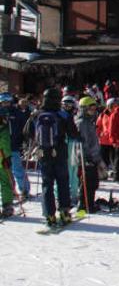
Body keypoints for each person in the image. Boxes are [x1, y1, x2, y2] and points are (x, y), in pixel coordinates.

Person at [24, 88, 79, 227]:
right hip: (59, 151)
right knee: (62, 181)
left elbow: (27, 132)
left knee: (47, 183)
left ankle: (49, 215)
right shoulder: (63, 114)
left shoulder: (37, 114)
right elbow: (73, 133)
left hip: (43, 152)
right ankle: (65, 212)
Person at [74, 96, 102, 214]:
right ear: (84, 108)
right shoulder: (82, 123)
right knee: (87, 181)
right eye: (91, 108)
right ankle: (83, 205)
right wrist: (86, 156)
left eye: (94, 108)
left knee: (93, 182)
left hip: (93, 156)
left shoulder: (89, 121)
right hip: (86, 157)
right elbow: (82, 142)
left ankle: (89, 203)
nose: (93, 110)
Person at [7, 94, 32, 198]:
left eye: (7, 102)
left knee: (17, 168)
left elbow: (25, 127)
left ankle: (24, 189)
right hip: (3, 146)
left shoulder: (16, 113)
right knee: (5, 171)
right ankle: (10, 190)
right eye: (3, 102)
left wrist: (27, 138)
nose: (5, 104)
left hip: (13, 145)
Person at [0, 107, 15, 217]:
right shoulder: (3, 129)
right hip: (3, 160)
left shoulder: (5, 127)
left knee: (5, 182)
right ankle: (7, 205)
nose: (6, 120)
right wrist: (7, 158)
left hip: (3, 159)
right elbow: (5, 144)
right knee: (6, 182)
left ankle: (7, 204)